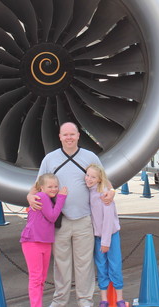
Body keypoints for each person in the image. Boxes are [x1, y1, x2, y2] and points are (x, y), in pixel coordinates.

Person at [27, 122, 115, 307]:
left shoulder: (90, 157)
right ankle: (60, 300)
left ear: (78, 136)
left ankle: (85, 300)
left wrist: (112, 191)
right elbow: (38, 185)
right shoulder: (49, 159)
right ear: (59, 137)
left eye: (72, 134)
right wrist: (29, 195)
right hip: (59, 222)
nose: (69, 138)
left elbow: (103, 180)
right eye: (65, 134)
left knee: (84, 264)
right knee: (61, 264)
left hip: (84, 219)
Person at [21, 173, 68, 307]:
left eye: (56, 186)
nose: (54, 189)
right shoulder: (41, 197)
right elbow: (52, 216)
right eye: (50, 186)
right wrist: (61, 198)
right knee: (36, 278)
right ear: (41, 187)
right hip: (33, 241)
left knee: (41, 278)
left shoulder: (45, 197)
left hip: (45, 241)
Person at [84, 164, 126, 307]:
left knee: (114, 265)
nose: (88, 179)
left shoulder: (104, 194)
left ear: (99, 179)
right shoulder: (89, 192)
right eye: (87, 175)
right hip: (97, 237)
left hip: (110, 237)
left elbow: (108, 221)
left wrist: (106, 242)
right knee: (101, 267)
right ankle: (104, 299)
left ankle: (119, 298)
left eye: (93, 177)